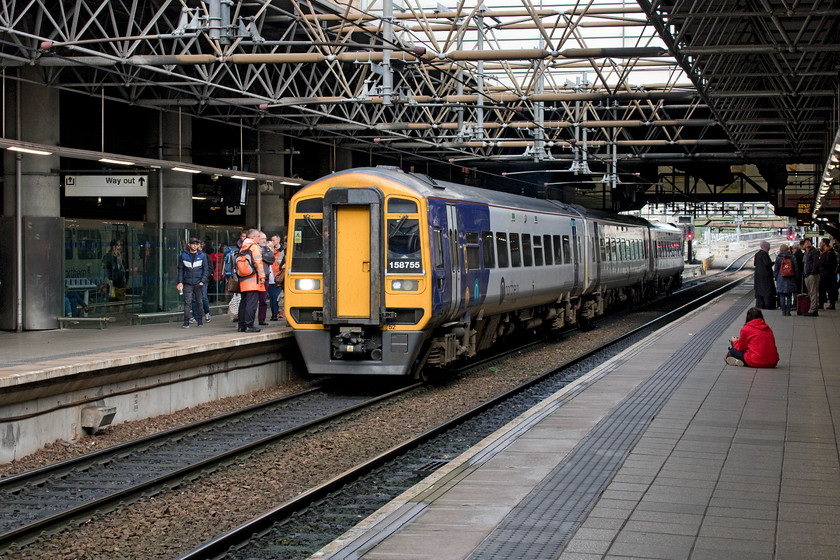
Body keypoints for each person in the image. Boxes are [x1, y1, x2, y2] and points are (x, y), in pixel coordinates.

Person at [176, 237, 208, 328]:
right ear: (189, 245)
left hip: (198, 283)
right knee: (187, 302)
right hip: (187, 283)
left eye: (196, 244)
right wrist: (180, 282)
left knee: (199, 302)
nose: (195, 245)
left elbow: (206, 270)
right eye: (193, 244)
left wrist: (202, 281)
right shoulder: (183, 255)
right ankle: (186, 322)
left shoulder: (202, 256)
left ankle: (200, 321)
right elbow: (180, 270)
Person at [237, 229, 265, 333]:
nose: (259, 238)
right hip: (253, 280)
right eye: (258, 236)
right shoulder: (254, 247)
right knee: (251, 304)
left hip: (244, 279)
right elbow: (258, 262)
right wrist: (262, 277)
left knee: (243, 302)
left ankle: (241, 325)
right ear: (253, 237)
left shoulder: (243, 246)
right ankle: (249, 325)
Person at [256, 231, 275, 327]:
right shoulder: (254, 248)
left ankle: (261, 319)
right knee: (253, 300)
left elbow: (272, 259)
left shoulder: (267, 249)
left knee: (263, 300)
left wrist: (261, 256)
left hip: (266, 277)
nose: (264, 240)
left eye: (265, 238)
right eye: (262, 238)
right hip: (255, 278)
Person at [773, 243, 798, 316]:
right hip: (790, 278)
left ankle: (783, 310)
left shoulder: (778, 257)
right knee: (789, 295)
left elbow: (776, 269)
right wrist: (795, 278)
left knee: (782, 296)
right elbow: (796, 269)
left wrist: (776, 277)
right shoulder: (792, 257)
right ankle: (788, 311)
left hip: (781, 278)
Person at [753, 240, 775, 309]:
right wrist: (773, 263)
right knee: (766, 290)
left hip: (758, 275)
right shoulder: (764, 254)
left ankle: (760, 304)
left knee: (759, 290)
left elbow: (755, 264)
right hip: (765, 276)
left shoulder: (757, 254)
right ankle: (767, 304)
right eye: (768, 247)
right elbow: (766, 263)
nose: (769, 248)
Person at [802, 238, 820, 316]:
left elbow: (816, 263)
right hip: (807, 275)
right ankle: (812, 308)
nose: (807, 243)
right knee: (810, 292)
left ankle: (813, 310)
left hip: (812, 275)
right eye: (806, 242)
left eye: (808, 242)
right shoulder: (806, 253)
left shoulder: (814, 252)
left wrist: (812, 273)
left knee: (813, 292)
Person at [269, 235, 285, 321]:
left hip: (278, 279)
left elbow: (279, 266)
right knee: (272, 298)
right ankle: (274, 314)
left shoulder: (279, 254)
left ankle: (278, 313)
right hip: (270, 281)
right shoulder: (265, 256)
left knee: (276, 297)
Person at [818, 238, 837, 310]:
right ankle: (821, 303)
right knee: (822, 289)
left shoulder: (829, 252)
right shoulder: (825, 252)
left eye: (821, 242)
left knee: (829, 289)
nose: (820, 244)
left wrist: (821, 262)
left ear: (824, 243)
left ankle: (832, 304)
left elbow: (829, 263)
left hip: (828, 274)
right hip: (824, 273)